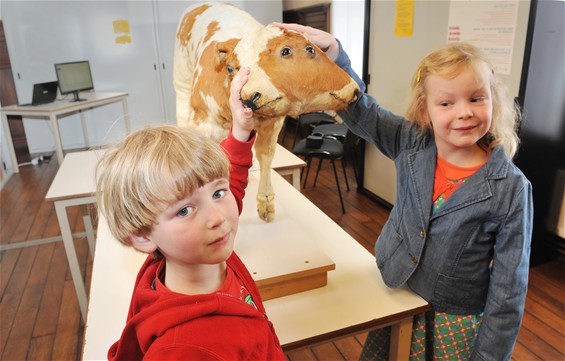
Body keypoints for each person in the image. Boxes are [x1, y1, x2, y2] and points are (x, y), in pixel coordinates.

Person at [275, 23, 533, 361]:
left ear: (493, 101)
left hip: (453, 321)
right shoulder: (413, 142)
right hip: (395, 290)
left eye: (476, 98)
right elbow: (361, 109)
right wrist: (336, 54)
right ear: (426, 110)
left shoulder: (511, 188)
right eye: (446, 103)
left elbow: (509, 287)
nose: (464, 112)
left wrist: (489, 356)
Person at [95, 67, 286, 360]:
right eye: (184, 210)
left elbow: (230, 178)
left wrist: (241, 127)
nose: (218, 217)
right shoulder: (181, 351)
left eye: (217, 194)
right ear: (142, 236)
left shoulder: (201, 251)